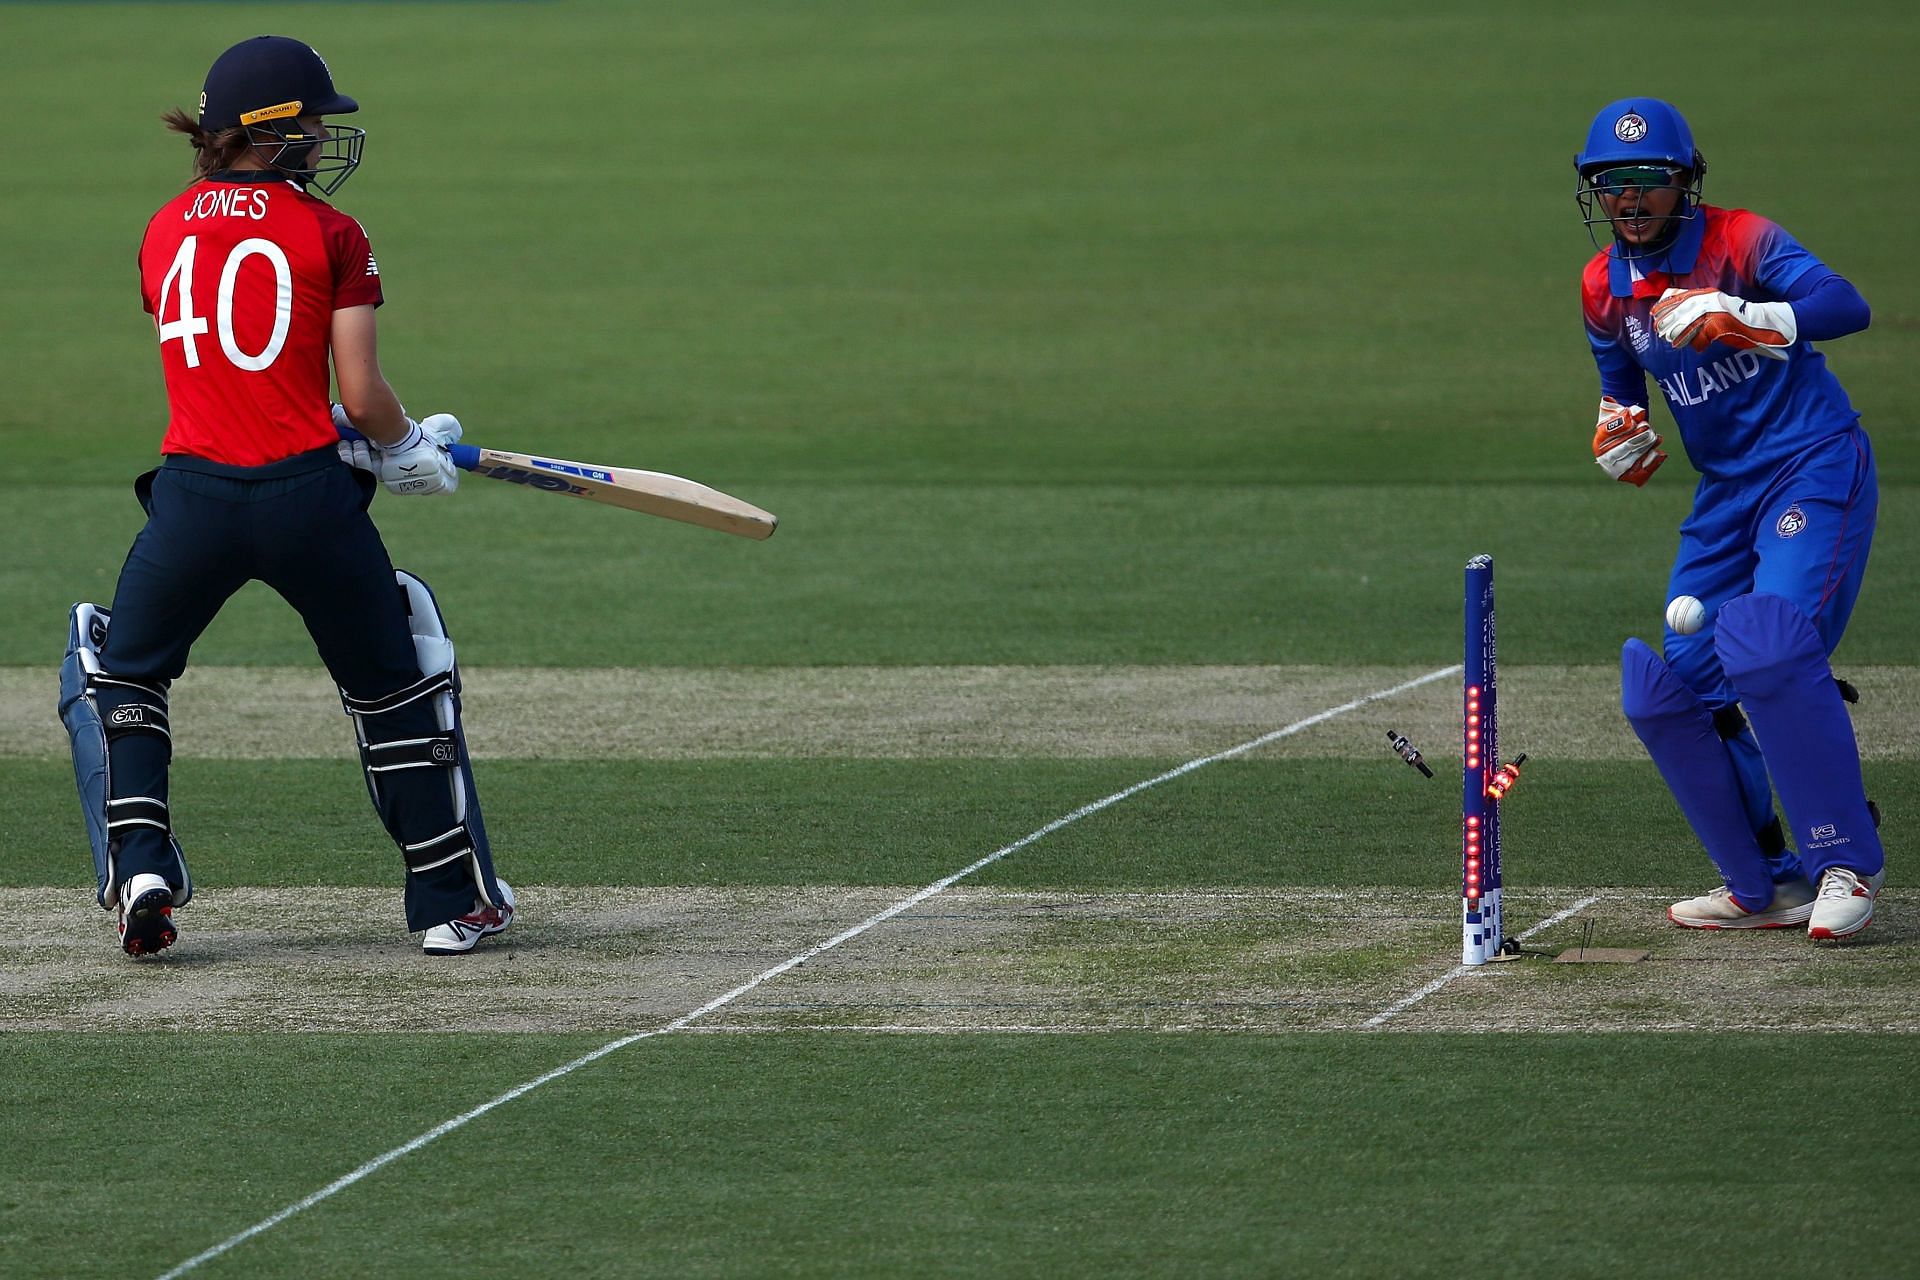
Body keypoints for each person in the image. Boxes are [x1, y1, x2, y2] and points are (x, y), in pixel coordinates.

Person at [57, 35, 515, 957]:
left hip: (193, 502)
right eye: (309, 123)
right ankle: (449, 903)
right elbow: (356, 390)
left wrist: (364, 431)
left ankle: (140, 866)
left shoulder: (162, 228)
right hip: (308, 499)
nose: (319, 138)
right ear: (269, 132)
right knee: (397, 675)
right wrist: (405, 449)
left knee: (116, 668)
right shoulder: (331, 233)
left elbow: (228, 364)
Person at [1575, 97, 1885, 939]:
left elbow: (1846, 305)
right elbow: (1622, 383)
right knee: (1675, 677)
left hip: (1813, 464)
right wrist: (1618, 426)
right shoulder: (1605, 285)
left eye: (1648, 182)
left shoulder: (1741, 240)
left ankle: (1843, 863)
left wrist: (1746, 315)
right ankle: (1765, 882)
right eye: (1613, 185)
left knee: (1771, 641)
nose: (1631, 201)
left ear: (1685, 183)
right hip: (1726, 492)